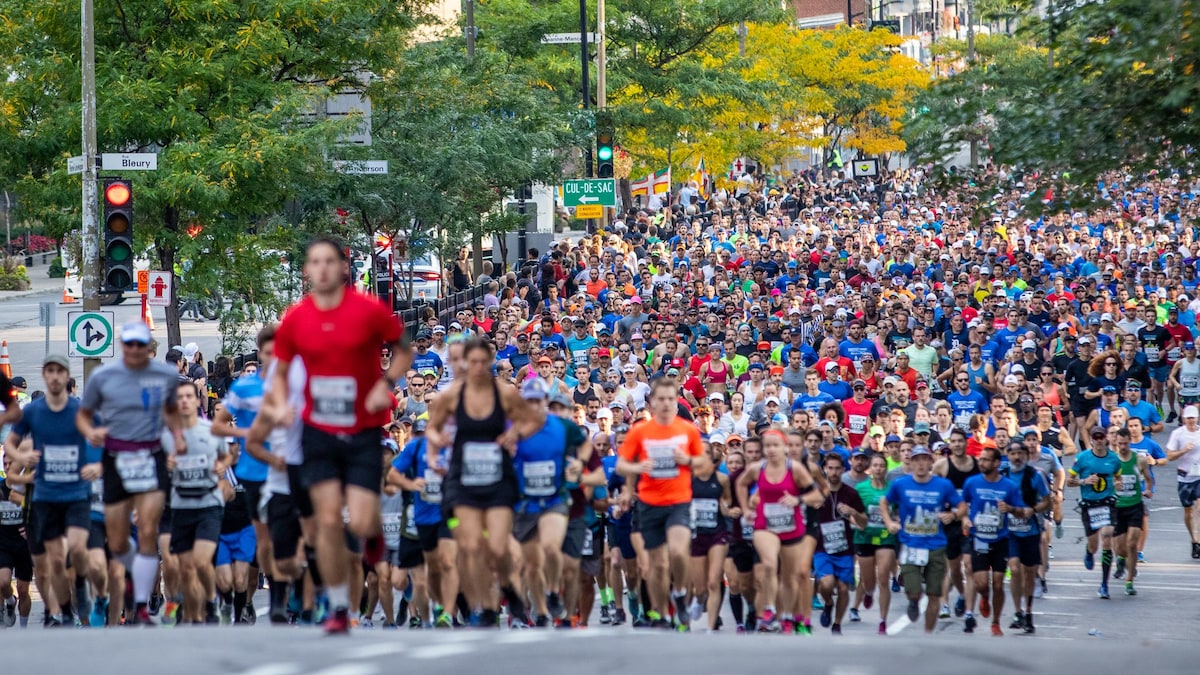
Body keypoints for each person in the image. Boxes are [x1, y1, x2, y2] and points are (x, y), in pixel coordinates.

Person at [266, 237, 412, 634]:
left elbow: (404, 349)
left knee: (361, 523)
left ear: (344, 268)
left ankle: (374, 535)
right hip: (318, 432)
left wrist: (387, 382)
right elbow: (279, 373)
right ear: (307, 271)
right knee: (329, 521)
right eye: (316, 262)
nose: (324, 269)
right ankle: (336, 604)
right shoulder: (296, 318)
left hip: (363, 430)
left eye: (331, 261)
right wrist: (280, 405)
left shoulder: (368, 310)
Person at [424, 338, 539, 627]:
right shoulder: (451, 396)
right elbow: (432, 430)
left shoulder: (504, 393)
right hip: (464, 480)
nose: (475, 368)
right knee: (472, 547)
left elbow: (531, 421)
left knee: (498, 549)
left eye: (481, 362)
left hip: (498, 479)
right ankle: (487, 608)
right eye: (470, 362)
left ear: (490, 362)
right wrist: (437, 447)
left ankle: (509, 591)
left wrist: (515, 434)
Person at [76, 321, 185, 626]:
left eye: (141, 345)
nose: (135, 350)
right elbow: (83, 416)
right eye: (130, 344)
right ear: (123, 345)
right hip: (115, 456)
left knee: (148, 527)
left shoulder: (164, 376)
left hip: (150, 454)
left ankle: (139, 606)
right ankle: (136, 566)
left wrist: (177, 437)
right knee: (118, 540)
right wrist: (91, 433)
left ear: (148, 347)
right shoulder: (103, 377)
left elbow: (172, 410)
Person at [3, 354, 97, 627]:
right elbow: (10, 443)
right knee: (55, 561)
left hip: (77, 494)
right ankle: (63, 612)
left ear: (66, 377)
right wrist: (21, 458)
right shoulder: (33, 412)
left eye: (60, 372)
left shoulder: (81, 410)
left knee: (78, 549)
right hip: (45, 498)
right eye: (50, 371)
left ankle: (80, 584)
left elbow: (104, 440)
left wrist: (97, 465)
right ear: (44, 376)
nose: (55, 376)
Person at [617, 378, 706, 631]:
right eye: (661, 399)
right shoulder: (641, 431)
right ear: (653, 402)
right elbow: (623, 464)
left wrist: (687, 460)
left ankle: (679, 593)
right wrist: (637, 467)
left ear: (676, 402)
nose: (666, 403)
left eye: (670, 399)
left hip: (679, 501)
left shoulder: (687, 430)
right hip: (649, 502)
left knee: (678, 553)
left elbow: (702, 463)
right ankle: (661, 615)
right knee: (657, 565)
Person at [734, 429, 825, 633]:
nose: (771, 450)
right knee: (769, 564)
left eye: (775, 445)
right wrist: (746, 509)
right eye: (767, 446)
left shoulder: (796, 469)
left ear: (784, 447)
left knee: (790, 576)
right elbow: (740, 483)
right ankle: (769, 609)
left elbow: (817, 496)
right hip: (765, 526)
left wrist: (798, 499)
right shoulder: (758, 468)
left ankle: (787, 617)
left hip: (792, 527)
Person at [163, 379, 230, 624]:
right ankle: (196, 617)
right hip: (181, 506)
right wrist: (166, 464)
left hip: (208, 504)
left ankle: (211, 600)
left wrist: (222, 466)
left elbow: (225, 457)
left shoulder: (212, 430)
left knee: (201, 562)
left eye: (189, 396)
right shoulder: (167, 436)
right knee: (186, 568)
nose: (184, 401)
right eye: (179, 397)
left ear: (196, 400)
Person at [880, 445, 965, 633]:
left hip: (936, 545)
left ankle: (927, 634)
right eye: (916, 459)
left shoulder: (943, 485)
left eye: (924, 459)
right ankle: (913, 601)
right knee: (913, 590)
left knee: (934, 594)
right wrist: (889, 522)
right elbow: (884, 502)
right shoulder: (901, 484)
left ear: (930, 462)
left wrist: (953, 516)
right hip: (910, 544)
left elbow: (962, 506)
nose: (920, 464)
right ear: (911, 461)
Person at [960, 445, 1028, 636]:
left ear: (997, 463)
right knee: (981, 583)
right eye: (980, 460)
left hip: (1001, 540)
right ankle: (983, 597)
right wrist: (965, 518)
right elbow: (963, 504)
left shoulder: (1008, 486)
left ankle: (995, 622)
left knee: (998, 583)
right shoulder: (972, 483)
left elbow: (1022, 512)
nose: (981, 463)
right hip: (979, 539)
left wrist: (1011, 509)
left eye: (986, 460)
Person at [809, 452, 867, 635]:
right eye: (830, 468)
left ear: (843, 470)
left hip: (845, 548)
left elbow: (864, 522)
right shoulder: (816, 493)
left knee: (842, 587)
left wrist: (853, 512)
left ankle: (837, 623)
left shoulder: (850, 493)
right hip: (822, 548)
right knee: (826, 584)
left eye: (837, 469)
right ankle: (828, 603)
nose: (833, 472)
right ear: (825, 469)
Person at [1067, 425, 1122, 599]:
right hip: (1089, 504)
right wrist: (1084, 481)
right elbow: (1069, 481)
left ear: (1106, 438)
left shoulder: (1114, 459)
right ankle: (1089, 552)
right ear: (1091, 439)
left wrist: (1118, 484)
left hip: (1108, 503)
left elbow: (1118, 477)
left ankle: (1104, 584)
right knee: (1094, 544)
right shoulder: (1082, 458)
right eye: (1095, 437)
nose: (1099, 440)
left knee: (1107, 537)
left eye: (1101, 437)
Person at [851, 452, 897, 635]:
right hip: (864, 538)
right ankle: (868, 593)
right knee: (868, 582)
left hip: (886, 538)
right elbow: (854, 513)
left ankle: (882, 620)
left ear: (886, 469)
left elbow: (898, 511)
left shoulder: (892, 489)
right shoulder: (861, 489)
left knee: (884, 577)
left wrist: (896, 522)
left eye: (882, 466)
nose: (878, 469)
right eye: (875, 465)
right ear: (871, 468)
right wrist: (856, 523)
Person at [1109, 426, 1153, 597]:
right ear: (1116, 443)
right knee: (1120, 548)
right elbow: (1104, 482)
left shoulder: (1139, 460)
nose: (1123, 447)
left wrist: (1148, 489)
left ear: (1130, 442)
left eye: (1126, 444)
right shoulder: (1112, 460)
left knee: (1132, 544)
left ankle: (1129, 581)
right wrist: (1114, 484)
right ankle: (1120, 559)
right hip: (1118, 507)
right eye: (1120, 444)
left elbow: (1148, 479)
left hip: (1135, 505)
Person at [1165, 405, 1200, 559]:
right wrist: (1184, 450)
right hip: (1185, 477)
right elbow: (1170, 456)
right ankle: (1193, 540)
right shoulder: (1178, 434)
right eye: (1188, 418)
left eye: (1193, 418)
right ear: (1184, 419)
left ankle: (1199, 541)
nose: (1191, 421)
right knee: (1188, 511)